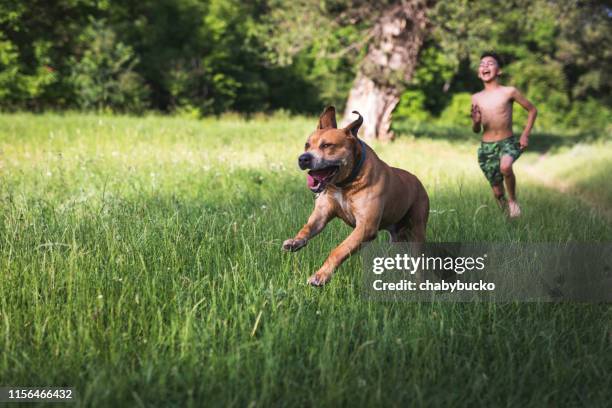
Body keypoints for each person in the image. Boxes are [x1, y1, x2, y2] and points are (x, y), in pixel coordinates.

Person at [471, 51, 537, 217]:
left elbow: (532, 110)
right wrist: (476, 121)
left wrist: (525, 135)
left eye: (490, 63)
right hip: (487, 148)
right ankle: (506, 217)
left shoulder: (509, 92)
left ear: (499, 71)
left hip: (507, 142)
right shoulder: (476, 97)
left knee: (506, 166)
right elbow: (476, 130)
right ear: (479, 73)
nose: (485, 66)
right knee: (498, 192)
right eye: (482, 64)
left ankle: (513, 201)